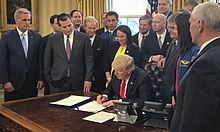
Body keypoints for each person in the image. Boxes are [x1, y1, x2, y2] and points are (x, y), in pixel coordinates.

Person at [170, 2, 220, 132]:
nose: (188, 28)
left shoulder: (206, 64)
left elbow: (196, 120)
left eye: (190, 23)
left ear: (200, 25)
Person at [0, 8, 44, 101]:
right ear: (16, 20)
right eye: (24, 20)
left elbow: (40, 59)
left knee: (31, 110)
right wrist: (5, 81)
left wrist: (41, 78)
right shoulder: (6, 37)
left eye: (29, 20)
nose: (27, 22)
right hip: (13, 83)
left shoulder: (37, 37)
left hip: (32, 82)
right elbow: (2, 60)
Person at [44, 13, 94, 94]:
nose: (68, 29)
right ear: (60, 27)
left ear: (72, 23)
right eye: (64, 27)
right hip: (57, 81)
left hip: (77, 80)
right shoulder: (53, 39)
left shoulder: (83, 38)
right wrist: (49, 78)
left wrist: (88, 79)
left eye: (69, 25)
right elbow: (47, 59)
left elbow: (89, 60)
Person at [172, 11, 199, 105]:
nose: (173, 31)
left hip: (188, 100)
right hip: (177, 98)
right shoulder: (181, 50)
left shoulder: (195, 50)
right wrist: (173, 94)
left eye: (175, 28)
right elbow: (176, 75)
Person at [157, 12, 179, 105]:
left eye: (172, 28)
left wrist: (175, 94)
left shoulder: (187, 47)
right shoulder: (173, 41)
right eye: (168, 27)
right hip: (166, 89)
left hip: (175, 93)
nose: (169, 30)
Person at [84, 16, 109, 94]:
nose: (92, 30)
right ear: (84, 27)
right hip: (82, 78)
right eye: (90, 28)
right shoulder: (79, 40)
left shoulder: (103, 42)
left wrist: (94, 76)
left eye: (94, 28)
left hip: (98, 79)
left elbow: (104, 61)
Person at [42, 14, 60, 95]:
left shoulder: (68, 38)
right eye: (57, 23)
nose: (59, 26)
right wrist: (46, 77)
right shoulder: (45, 40)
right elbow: (44, 60)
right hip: (50, 76)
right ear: (52, 25)